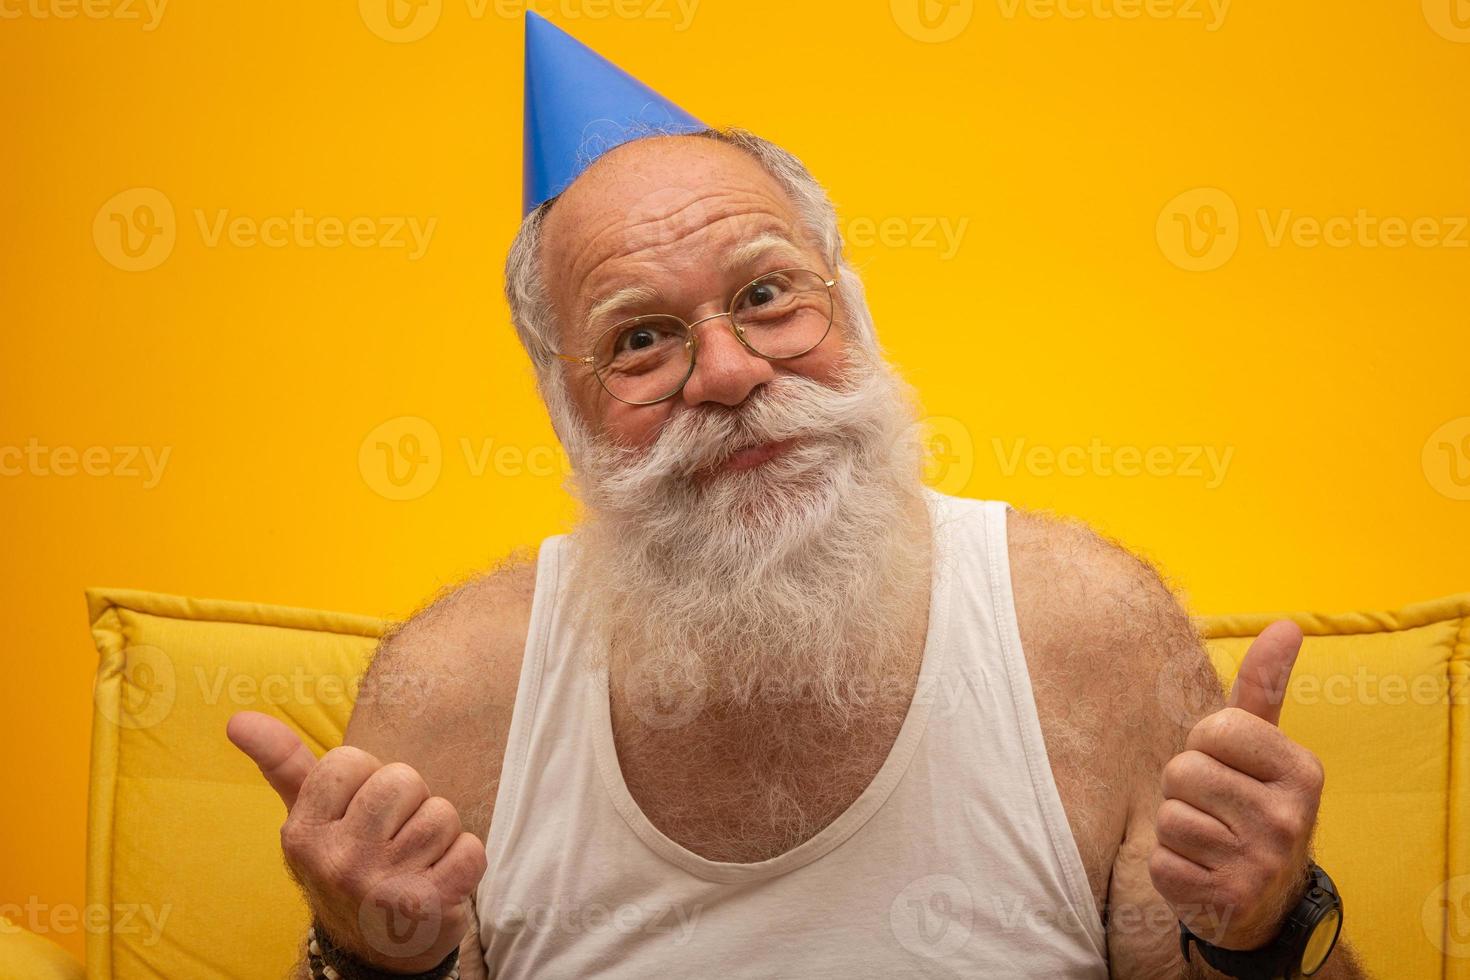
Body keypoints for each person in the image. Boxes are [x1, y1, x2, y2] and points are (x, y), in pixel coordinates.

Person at [228, 125, 1366, 978]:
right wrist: (376, 955)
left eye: (768, 295)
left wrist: (1265, 927)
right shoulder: (452, 695)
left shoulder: (1090, 631)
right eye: (639, 338)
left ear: (854, 315)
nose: (725, 374)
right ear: (566, 410)